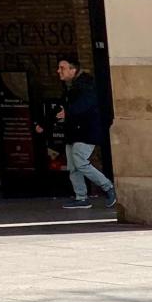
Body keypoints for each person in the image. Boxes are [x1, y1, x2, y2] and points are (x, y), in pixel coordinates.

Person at [44, 54, 116, 209]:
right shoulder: (71, 85)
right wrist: (45, 123)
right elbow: (61, 106)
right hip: (74, 132)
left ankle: (109, 187)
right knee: (73, 166)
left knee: (80, 161)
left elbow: (85, 104)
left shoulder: (86, 84)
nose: (58, 71)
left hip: (86, 131)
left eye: (62, 68)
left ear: (73, 69)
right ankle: (81, 197)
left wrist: (68, 113)